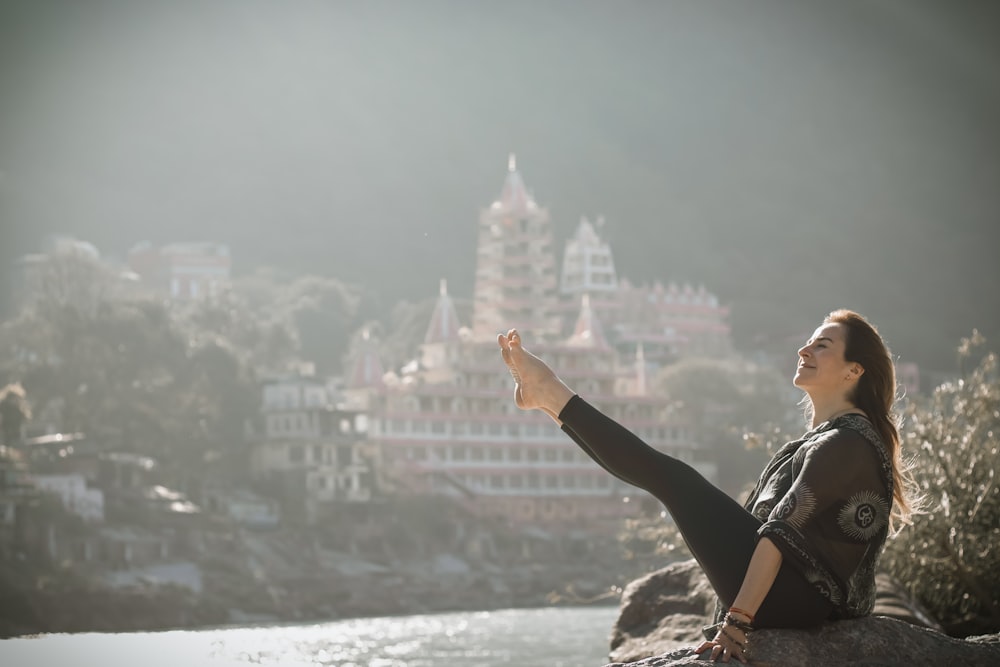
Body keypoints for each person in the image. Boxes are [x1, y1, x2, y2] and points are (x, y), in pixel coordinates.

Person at [497, 309, 912, 663]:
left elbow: (780, 536)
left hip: (798, 600)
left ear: (854, 370)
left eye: (822, 345)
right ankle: (548, 400)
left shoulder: (847, 442)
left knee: (674, 479)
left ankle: (551, 393)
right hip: (794, 599)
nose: (805, 350)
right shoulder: (828, 438)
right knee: (667, 480)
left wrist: (738, 621)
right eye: (809, 342)